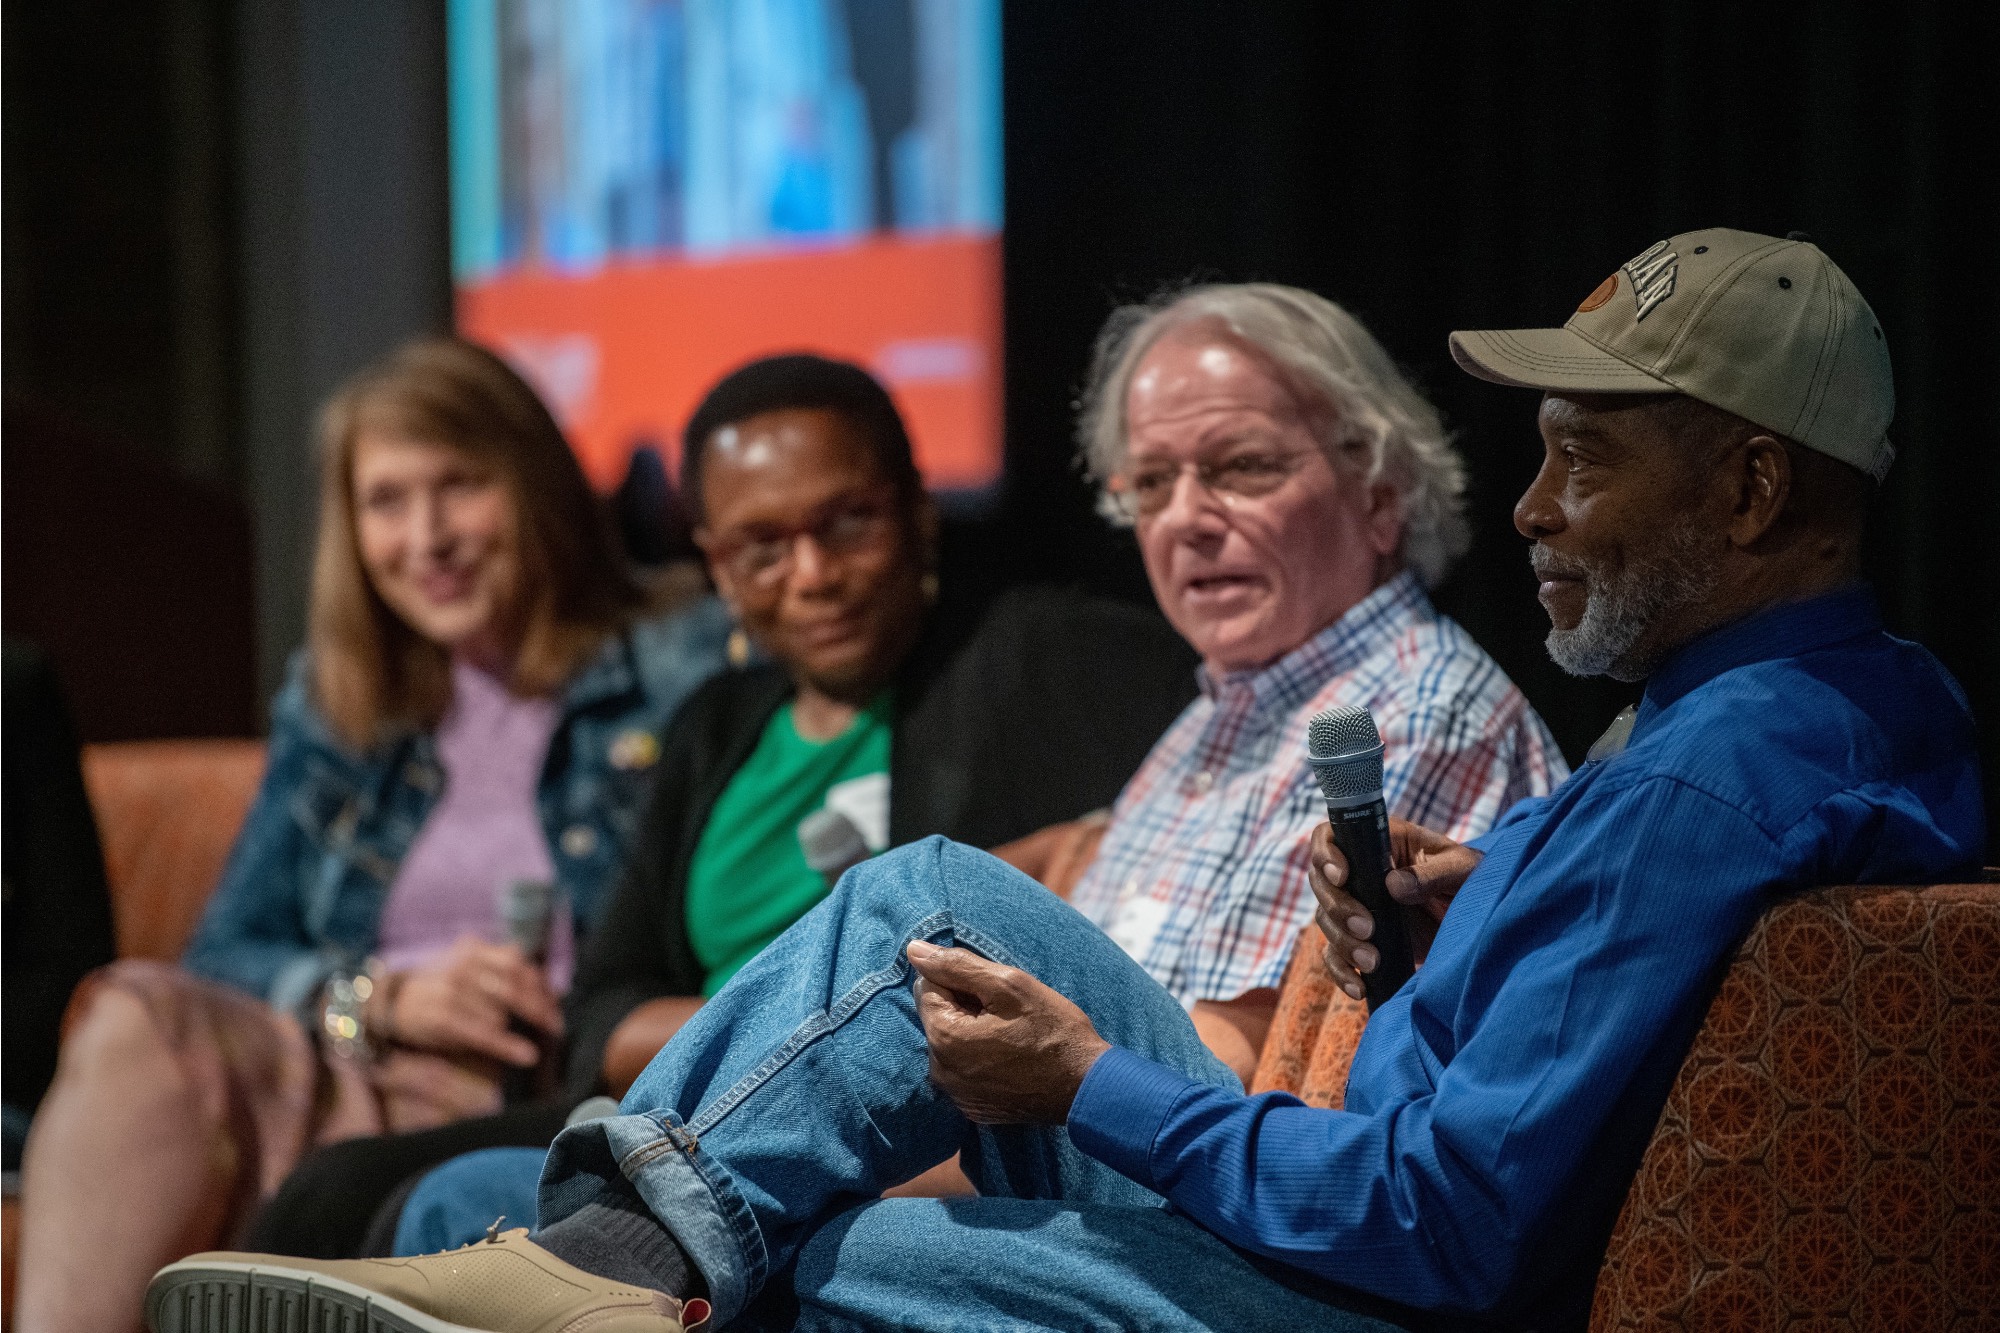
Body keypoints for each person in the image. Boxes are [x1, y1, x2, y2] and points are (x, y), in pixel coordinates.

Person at [239, 353, 1201, 1260]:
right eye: (761, 548)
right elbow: (601, 1011)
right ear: (716, 565)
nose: (813, 575)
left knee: (434, 1200)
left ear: (916, 511)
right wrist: (775, 1035)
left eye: (848, 523)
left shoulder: (1044, 661)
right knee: (334, 1193)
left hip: (896, 1131)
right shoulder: (716, 723)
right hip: (673, 1102)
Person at [14, 337, 734, 1333]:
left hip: (541, 1086)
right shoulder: (341, 698)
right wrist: (382, 998)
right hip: (345, 1067)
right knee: (138, 1014)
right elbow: (225, 950)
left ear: (535, 486)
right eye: (385, 501)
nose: (425, 536)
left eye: (459, 487)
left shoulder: (680, 661)